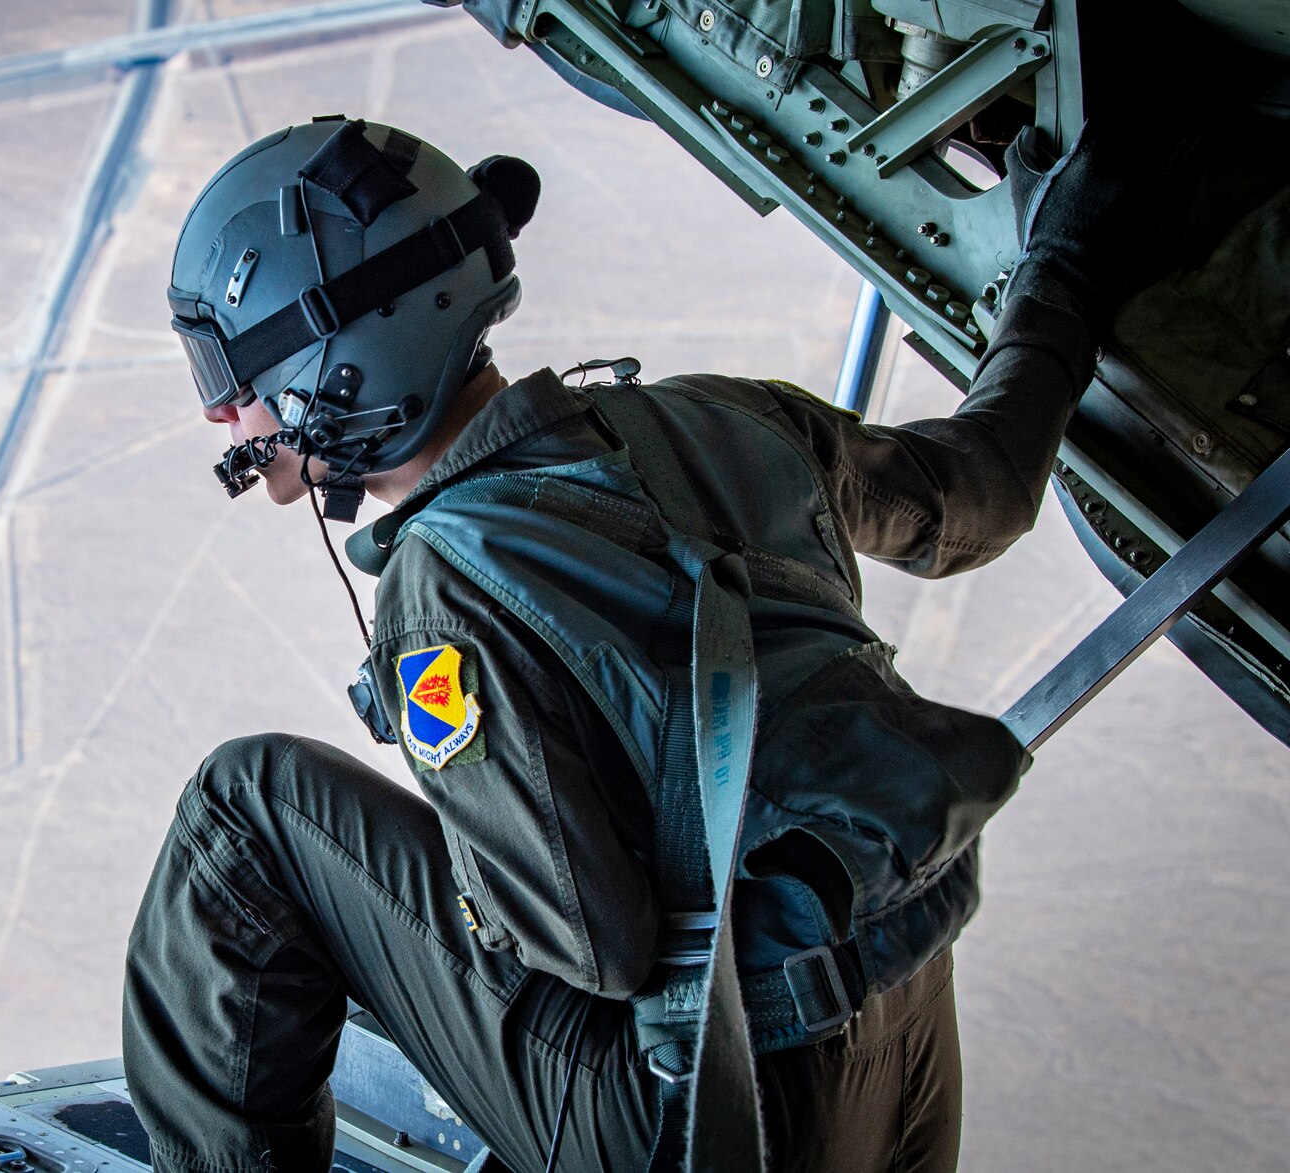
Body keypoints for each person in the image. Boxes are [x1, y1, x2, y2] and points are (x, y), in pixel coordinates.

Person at [122, 115, 1140, 1173]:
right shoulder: (724, 421)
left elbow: (587, 945)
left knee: (244, 815)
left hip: (708, 1112)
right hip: (901, 1042)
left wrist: (423, 913)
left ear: (328, 373)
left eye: (225, 370)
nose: (220, 414)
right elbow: (979, 487)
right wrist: (1063, 262)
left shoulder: (441, 599)